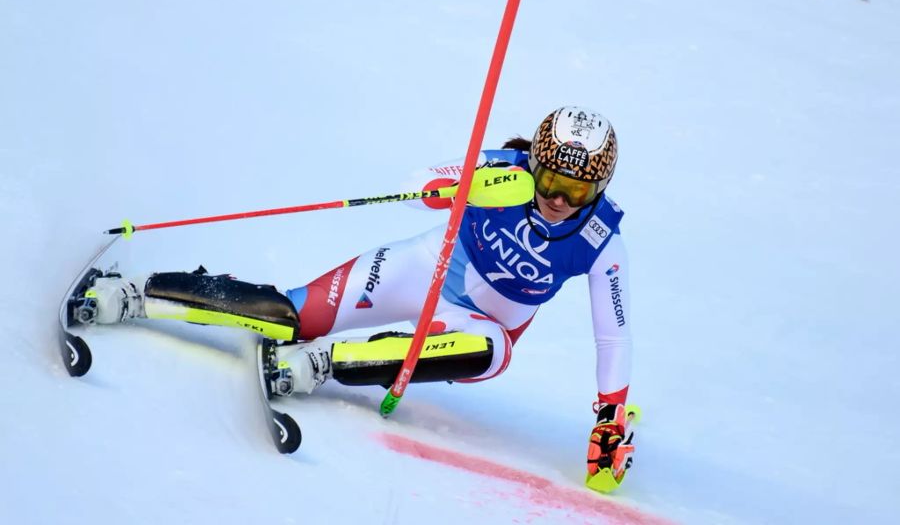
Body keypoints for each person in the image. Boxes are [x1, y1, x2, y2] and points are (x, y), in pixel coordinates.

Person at [77, 106, 635, 492]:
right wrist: (458, 188)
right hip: (422, 269)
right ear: (535, 163)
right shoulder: (503, 170)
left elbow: (613, 333)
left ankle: (315, 366)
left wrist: (611, 418)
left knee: (493, 352)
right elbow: (418, 186)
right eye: (552, 182)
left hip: (475, 329)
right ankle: (133, 295)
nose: (560, 199)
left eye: (579, 191)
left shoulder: (601, 239)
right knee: (292, 314)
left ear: (599, 190)